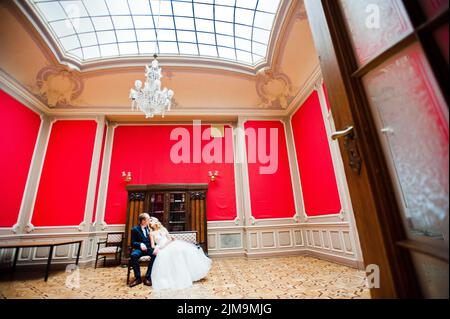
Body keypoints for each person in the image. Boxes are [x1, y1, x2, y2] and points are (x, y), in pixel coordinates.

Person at [149, 217, 212, 290]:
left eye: (151, 221)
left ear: (155, 221)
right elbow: (152, 245)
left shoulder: (163, 229)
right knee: (164, 257)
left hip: (169, 244)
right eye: (149, 222)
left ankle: (184, 276)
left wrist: (165, 245)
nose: (150, 223)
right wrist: (157, 248)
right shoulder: (151, 233)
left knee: (180, 253)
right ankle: (171, 278)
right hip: (161, 248)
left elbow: (170, 239)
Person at [129, 213, 156, 288]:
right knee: (133, 255)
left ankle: (148, 277)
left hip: (149, 249)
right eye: (148, 219)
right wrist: (140, 244)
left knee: (156, 254)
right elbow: (132, 243)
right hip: (139, 249)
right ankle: (138, 278)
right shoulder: (134, 229)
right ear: (143, 221)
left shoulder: (149, 228)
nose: (149, 221)